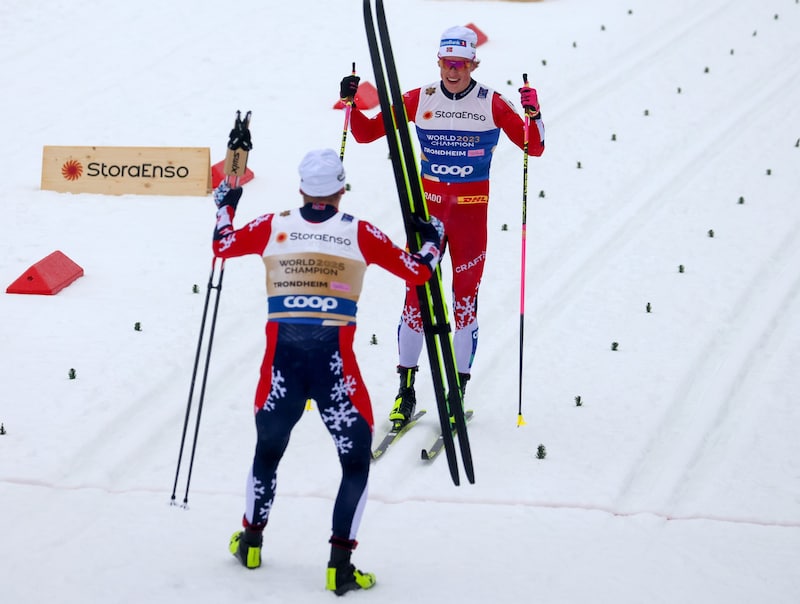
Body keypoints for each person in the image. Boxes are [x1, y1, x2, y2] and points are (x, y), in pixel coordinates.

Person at [214, 149, 443, 595]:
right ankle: (340, 565)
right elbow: (418, 274)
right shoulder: (358, 231)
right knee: (355, 463)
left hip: (281, 368)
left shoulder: (273, 224)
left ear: (301, 189)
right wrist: (433, 239)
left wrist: (226, 202)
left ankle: (251, 542)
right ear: (341, 189)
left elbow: (222, 244)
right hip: (336, 370)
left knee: (267, 452)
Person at [339, 25, 545, 426]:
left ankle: (457, 390)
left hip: (470, 218)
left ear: (473, 63)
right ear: (439, 63)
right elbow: (365, 134)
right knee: (415, 300)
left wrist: (533, 113)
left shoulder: (491, 103)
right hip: (428, 218)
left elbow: (532, 146)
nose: (453, 71)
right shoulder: (421, 99)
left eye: (461, 64)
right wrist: (349, 102)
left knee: (464, 300)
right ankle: (406, 391)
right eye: (447, 63)